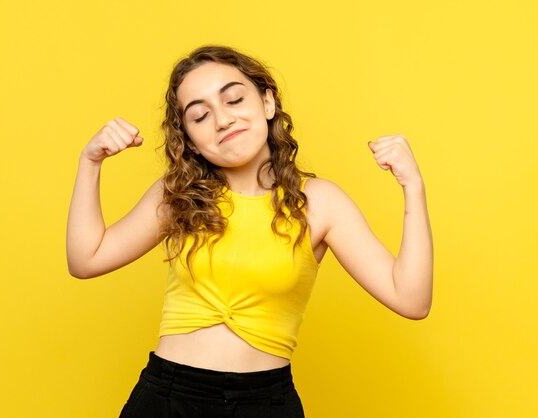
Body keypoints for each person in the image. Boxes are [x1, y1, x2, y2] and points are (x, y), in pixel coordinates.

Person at [66, 45, 433, 418]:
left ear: (267, 103)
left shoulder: (319, 203)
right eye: (200, 115)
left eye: (234, 99)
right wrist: (90, 162)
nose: (222, 120)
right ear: (190, 140)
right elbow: (86, 259)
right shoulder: (178, 196)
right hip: (169, 399)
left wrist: (413, 188)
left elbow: (411, 299)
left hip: (266, 403)